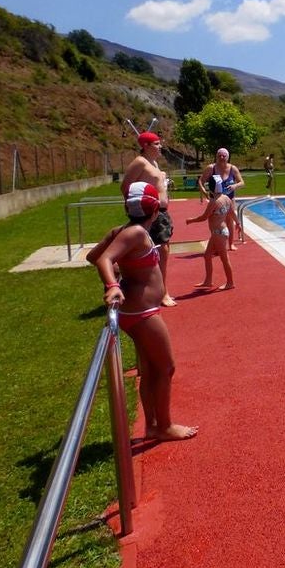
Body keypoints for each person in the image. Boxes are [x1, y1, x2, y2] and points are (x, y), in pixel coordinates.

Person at [87, 182, 197, 441]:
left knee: (150, 369)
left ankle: (153, 425)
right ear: (155, 211)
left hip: (139, 310)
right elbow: (103, 259)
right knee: (166, 368)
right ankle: (164, 426)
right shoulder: (134, 233)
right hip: (142, 313)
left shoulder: (123, 230)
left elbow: (93, 255)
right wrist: (113, 284)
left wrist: (119, 274)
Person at [121, 131, 176, 306]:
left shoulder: (153, 163)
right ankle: (161, 292)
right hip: (151, 214)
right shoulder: (140, 162)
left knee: (162, 251)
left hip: (160, 213)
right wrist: (138, 208)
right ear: (146, 145)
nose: (161, 147)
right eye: (157, 144)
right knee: (159, 252)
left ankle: (158, 290)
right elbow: (125, 187)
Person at [185, 180, 236, 291]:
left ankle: (230, 282)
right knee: (207, 255)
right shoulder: (226, 198)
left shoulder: (213, 202)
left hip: (218, 234)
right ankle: (208, 281)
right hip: (220, 232)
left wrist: (191, 220)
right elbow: (232, 212)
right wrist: (238, 223)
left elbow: (204, 217)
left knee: (224, 258)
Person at [199, 148, 244, 249]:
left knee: (229, 221)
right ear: (216, 157)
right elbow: (201, 181)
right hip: (215, 201)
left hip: (229, 199)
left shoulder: (233, 169)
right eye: (219, 155)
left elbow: (242, 182)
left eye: (224, 155)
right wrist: (204, 192)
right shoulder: (211, 168)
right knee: (215, 222)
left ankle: (231, 243)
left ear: (227, 157)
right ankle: (216, 244)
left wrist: (235, 186)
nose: (221, 157)